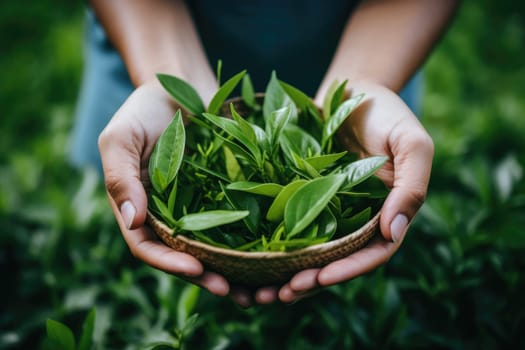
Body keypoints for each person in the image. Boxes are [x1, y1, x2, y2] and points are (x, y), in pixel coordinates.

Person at [71, 0, 459, 306]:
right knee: (128, 224)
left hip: (376, 62)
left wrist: (362, 87)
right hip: (148, 42)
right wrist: (168, 81)